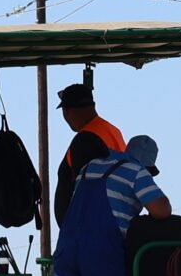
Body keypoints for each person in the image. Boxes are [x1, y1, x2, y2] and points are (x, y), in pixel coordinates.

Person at [48, 134, 172, 276]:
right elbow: (161, 210)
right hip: (100, 252)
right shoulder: (136, 172)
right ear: (147, 164)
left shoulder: (90, 167)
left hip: (66, 250)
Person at [51, 81, 126, 227]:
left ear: (66, 111)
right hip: (115, 219)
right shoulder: (112, 130)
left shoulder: (85, 139)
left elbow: (85, 190)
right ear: (93, 105)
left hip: (90, 229)